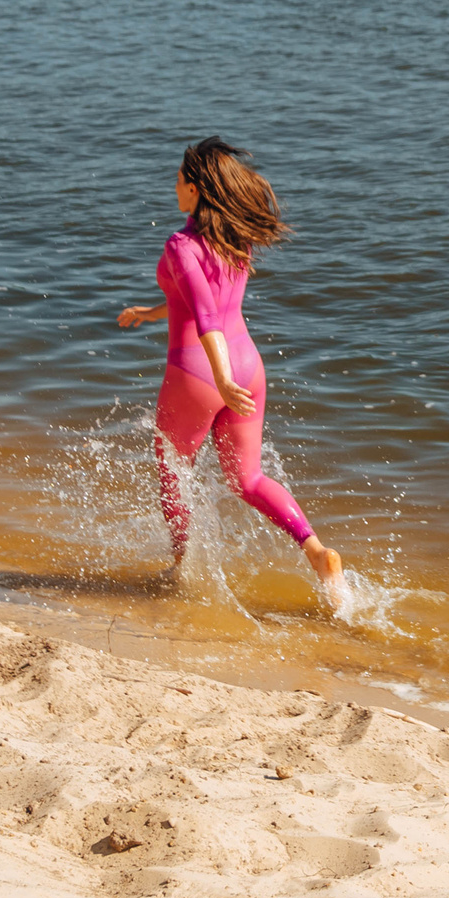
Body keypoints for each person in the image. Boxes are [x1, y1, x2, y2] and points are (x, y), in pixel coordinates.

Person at [117, 138, 345, 597]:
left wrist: (219, 378)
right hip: (248, 366)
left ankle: (182, 571)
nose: (174, 188)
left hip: (200, 372)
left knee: (172, 471)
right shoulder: (234, 239)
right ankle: (318, 552)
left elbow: (205, 316)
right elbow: (206, 300)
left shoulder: (181, 244)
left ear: (195, 188)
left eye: (178, 180)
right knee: (248, 479)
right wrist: (152, 313)